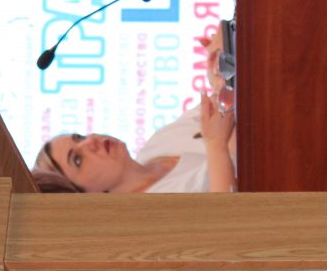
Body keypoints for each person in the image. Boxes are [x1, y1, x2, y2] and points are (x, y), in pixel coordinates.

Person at [33, 24, 237, 194]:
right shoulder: (150, 213)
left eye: (79, 138)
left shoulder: (157, 145)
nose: (90, 142)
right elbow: (230, 212)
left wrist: (221, 65)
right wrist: (216, 144)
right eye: (78, 160)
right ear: (87, 197)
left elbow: (225, 107)